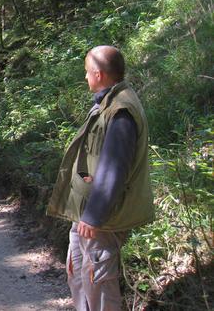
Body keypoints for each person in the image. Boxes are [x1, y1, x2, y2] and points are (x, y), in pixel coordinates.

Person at [47, 45, 154, 311]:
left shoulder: (121, 110)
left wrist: (94, 215)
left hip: (101, 220)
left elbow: (114, 168)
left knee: (100, 284)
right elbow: (94, 159)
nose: (85, 78)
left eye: (86, 72)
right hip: (86, 214)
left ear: (98, 74)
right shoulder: (107, 103)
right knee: (82, 277)